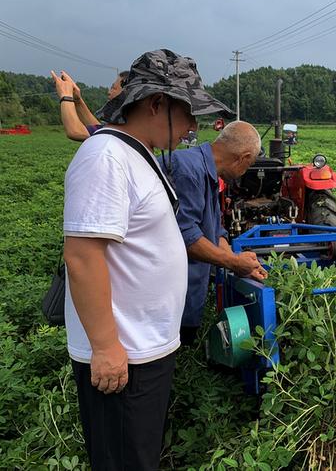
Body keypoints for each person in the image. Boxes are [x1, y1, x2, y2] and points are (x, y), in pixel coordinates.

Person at [63, 48, 232, 470]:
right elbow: (83, 258)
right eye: (189, 112)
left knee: (138, 455)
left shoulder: (135, 152)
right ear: (156, 103)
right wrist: (105, 348)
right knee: (124, 459)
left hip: (144, 349)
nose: (195, 127)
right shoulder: (105, 158)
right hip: (124, 355)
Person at [161, 121, 268, 345]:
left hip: (187, 291)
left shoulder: (207, 172)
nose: (243, 174)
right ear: (243, 157)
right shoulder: (188, 171)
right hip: (164, 298)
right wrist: (232, 263)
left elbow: (214, 229)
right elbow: (185, 235)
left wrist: (235, 259)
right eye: (247, 167)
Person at [51, 69, 129, 142]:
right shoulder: (126, 124)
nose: (109, 92)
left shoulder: (125, 128)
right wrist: (77, 100)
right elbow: (100, 131)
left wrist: (66, 95)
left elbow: (76, 132)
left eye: (113, 88)